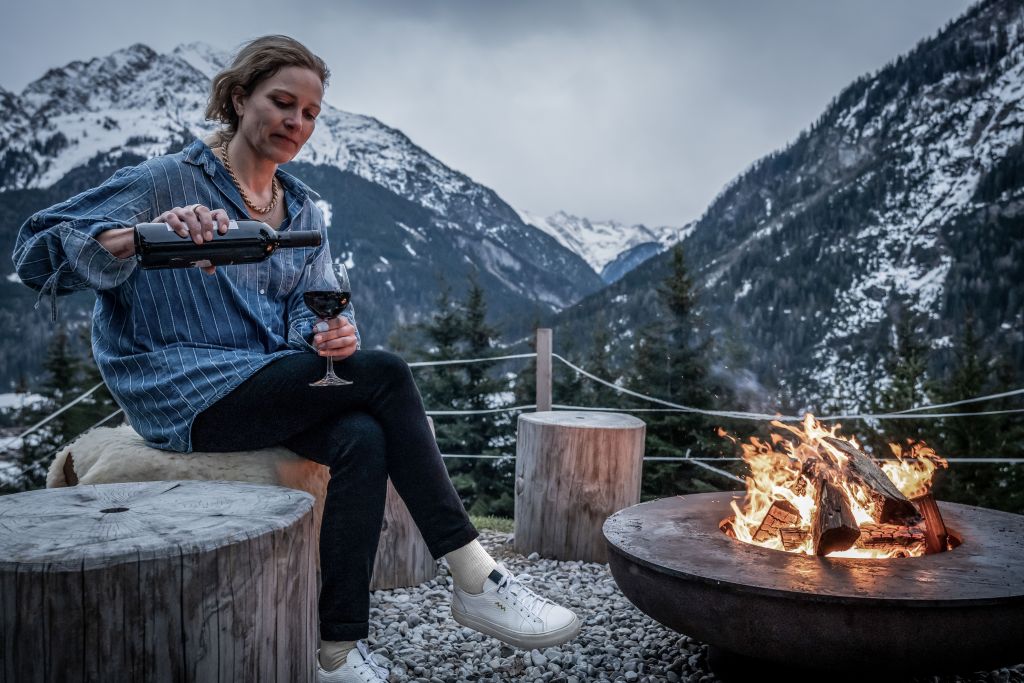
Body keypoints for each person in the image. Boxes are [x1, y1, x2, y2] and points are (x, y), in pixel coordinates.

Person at [13, 35, 580, 682]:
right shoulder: (163, 180)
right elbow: (36, 257)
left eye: (310, 113)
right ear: (237, 98)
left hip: (264, 383)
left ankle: (335, 648)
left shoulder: (303, 207)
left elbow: (314, 313)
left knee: (363, 436)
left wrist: (331, 337)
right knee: (388, 373)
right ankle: (474, 574)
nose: (297, 123)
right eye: (283, 103)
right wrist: (144, 237)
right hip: (181, 391)